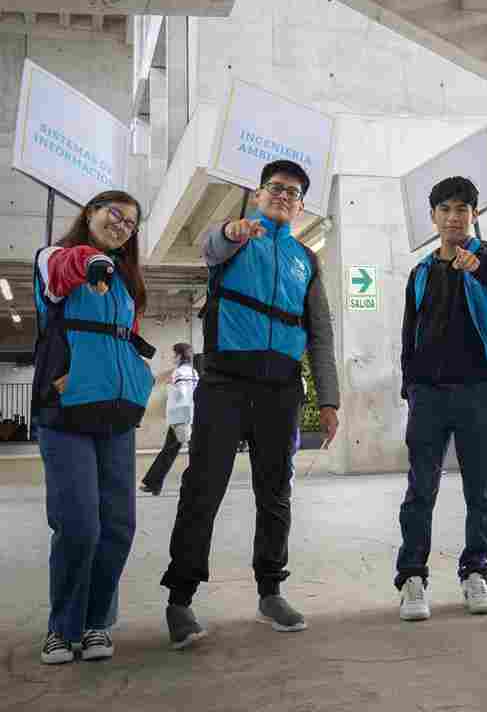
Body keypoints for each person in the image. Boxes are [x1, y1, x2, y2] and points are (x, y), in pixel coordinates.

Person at [160, 160, 340, 648]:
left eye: (294, 192)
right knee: (204, 487)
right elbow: (209, 246)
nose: (284, 196)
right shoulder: (236, 238)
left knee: (275, 491)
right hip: (224, 382)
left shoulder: (307, 257)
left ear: (301, 205)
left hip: (281, 388)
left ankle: (270, 591)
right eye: (276, 188)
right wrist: (230, 228)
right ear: (259, 194)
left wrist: (329, 398)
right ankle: (180, 599)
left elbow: (320, 333)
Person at [32, 191, 155, 665]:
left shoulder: (127, 284)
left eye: (130, 222)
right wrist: (92, 262)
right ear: (90, 214)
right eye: (114, 214)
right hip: (66, 413)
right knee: (79, 525)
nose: (122, 224)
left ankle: (96, 623)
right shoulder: (56, 259)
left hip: (118, 412)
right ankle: (61, 629)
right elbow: (67, 270)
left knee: (118, 527)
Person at [396, 176, 487, 621]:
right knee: (420, 490)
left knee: (481, 491)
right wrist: (410, 388)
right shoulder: (420, 273)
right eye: (445, 209)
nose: (454, 217)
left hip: (479, 392)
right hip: (428, 395)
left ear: (474, 216)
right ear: (432, 217)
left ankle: (476, 572)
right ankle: (413, 576)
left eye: (462, 209)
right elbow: (408, 337)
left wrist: (477, 263)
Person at [140, 343, 199, 496]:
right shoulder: (194, 372)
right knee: (192, 452)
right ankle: (155, 483)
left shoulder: (179, 373)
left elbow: (184, 394)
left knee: (169, 451)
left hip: (181, 417)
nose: (173, 357)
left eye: (174, 354)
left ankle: (154, 483)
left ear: (180, 356)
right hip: (191, 416)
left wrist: (170, 388)